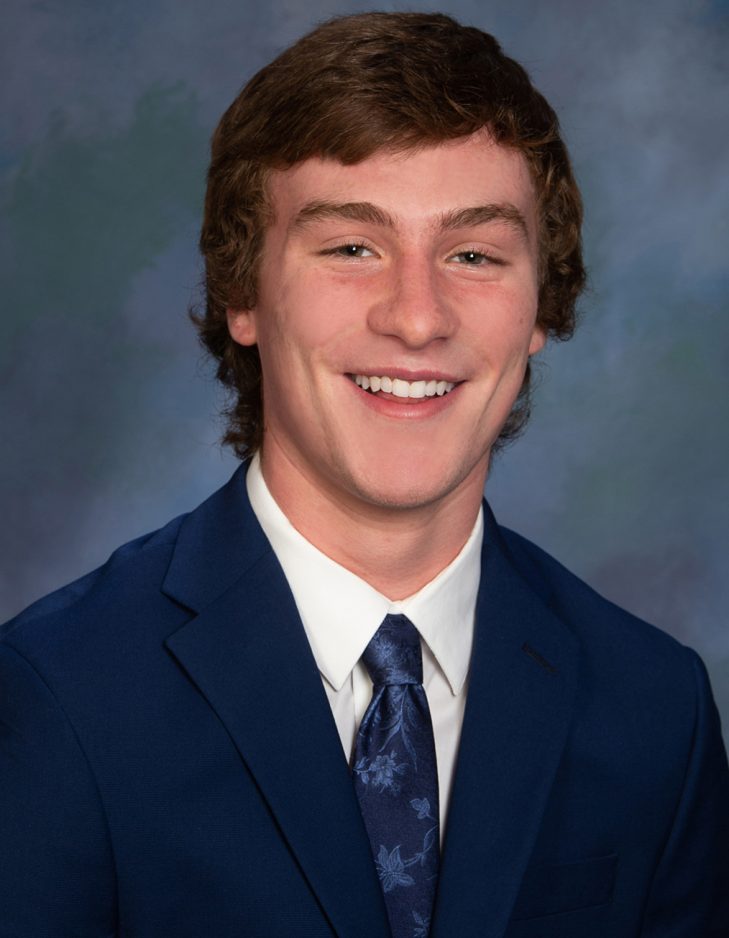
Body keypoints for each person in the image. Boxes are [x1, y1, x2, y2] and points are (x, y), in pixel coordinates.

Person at [1, 11, 727, 937]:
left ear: (539, 310)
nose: (417, 318)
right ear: (241, 293)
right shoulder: (56, 696)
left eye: (473, 254)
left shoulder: (654, 709)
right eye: (352, 248)